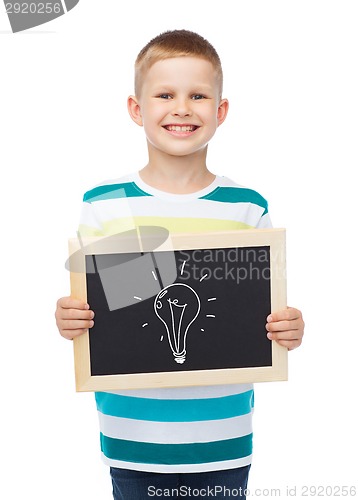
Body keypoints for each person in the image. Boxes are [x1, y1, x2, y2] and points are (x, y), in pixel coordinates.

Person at [55, 29, 304, 499]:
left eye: (198, 95)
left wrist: (289, 326)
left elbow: (263, 306)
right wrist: (70, 316)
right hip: (133, 437)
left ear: (220, 111)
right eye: (165, 94)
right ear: (137, 109)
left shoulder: (246, 207)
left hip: (222, 437)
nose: (182, 108)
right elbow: (98, 303)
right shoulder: (104, 204)